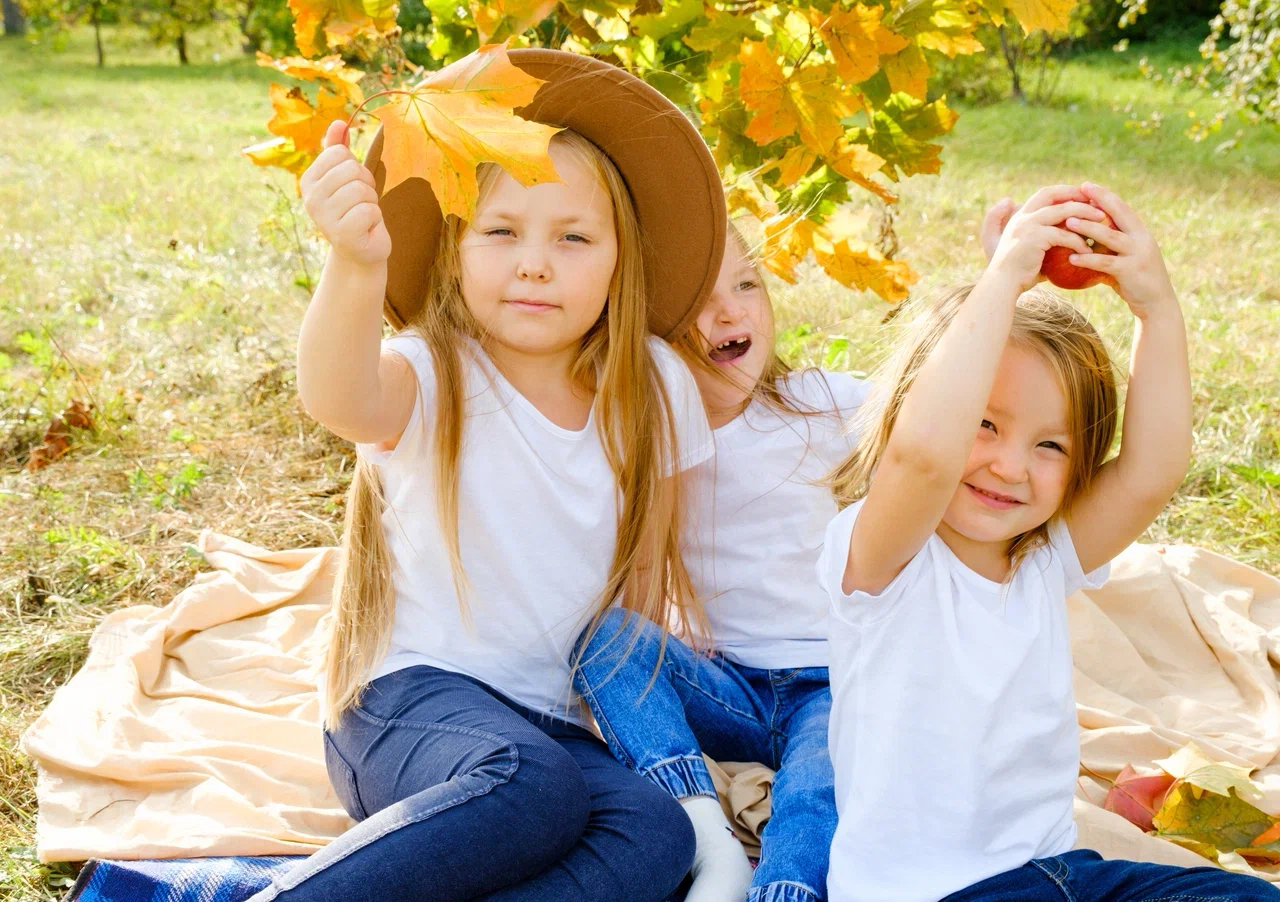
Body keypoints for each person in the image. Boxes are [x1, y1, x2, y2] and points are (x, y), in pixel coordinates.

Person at [249, 49, 727, 902]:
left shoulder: (654, 386)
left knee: (653, 833)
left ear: (621, 260)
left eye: (573, 238)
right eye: (501, 232)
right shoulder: (432, 370)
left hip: (552, 723)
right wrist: (355, 264)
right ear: (455, 249)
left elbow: (647, 588)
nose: (535, 263)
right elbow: (337, 397)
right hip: (404, 710)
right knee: (531, 788)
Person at [818, 183, 1279, 901]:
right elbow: (923, 459)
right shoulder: (885, 560)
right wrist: (1004, 278)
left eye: (1050, 445)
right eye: (985, 424)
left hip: (1058, 873)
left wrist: (1155, 305)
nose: (1011, 466)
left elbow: (1153, 472)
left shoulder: (1042, 560)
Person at [573, 226, 870, 902]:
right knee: (607, 638)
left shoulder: (819, 403)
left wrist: (998, 279)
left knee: (814, 792)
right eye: (700, 299)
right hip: (727, 686)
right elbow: (638, 580)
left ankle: (783, 891)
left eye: (747, 285)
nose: (732, 311)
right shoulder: (647, 435)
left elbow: (933, 405)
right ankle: (706, 838)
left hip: (830, 684)